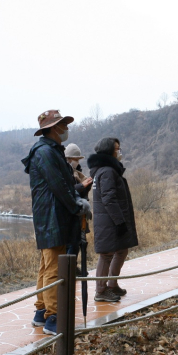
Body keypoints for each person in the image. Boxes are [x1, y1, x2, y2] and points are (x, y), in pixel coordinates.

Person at [22, 110, 91, 335]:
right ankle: (54, 317)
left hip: (50, 215)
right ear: (52, 128)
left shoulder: (50, 151)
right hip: (51, 216)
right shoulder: (45, 152)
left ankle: (41, 312)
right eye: (62, 125)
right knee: (53, 268)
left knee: (46, 265)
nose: (66, 129)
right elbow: (59, 185)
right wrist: (77, 204)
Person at [88, 137, 138, 302]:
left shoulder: (105, 170)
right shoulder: (107, 171)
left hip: (110, 219)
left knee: (121, 250)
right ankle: (101, 291)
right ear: (109, 151)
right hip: (109, 221)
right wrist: (119, 221)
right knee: (106, 254)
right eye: (117, 149)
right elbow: (108, 199)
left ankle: (112, 284)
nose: (119, 151)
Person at [65, 144, 93, 260]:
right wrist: (82, 185)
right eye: (75, 159)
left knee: (77, 245)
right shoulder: (65, 172)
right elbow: (67, 191)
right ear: (68, 159)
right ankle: (69, 273)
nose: (77, 162)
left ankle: (73, 271)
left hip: (79, 215)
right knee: (71, 247)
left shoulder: (78, 172)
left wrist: (86, 186)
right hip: (70, 215)